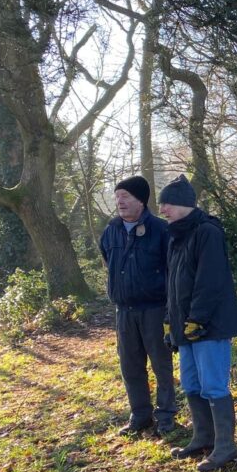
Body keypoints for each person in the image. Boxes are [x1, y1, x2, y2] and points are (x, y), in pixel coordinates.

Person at [158, 175, 237, 472]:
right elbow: (173, 285)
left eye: (167, 203)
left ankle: (226, 446)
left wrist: (196, 320)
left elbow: (210, 282)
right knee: (192, 384)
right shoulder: (175, 236)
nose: (163, 209)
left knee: (213, 385)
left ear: (183, 204)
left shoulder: (207, 232)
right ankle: (203, 437)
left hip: (209, 326)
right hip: (185, 328)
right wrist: (171, 322)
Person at [100, 175, 177, 436]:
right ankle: (140, 415)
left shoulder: (161, 230)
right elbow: (108, 262)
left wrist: (170, 310)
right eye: (117, 196)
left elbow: (172, 271)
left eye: (126, 196)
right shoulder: (111, 230)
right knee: (130, 367)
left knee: (161, 366)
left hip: (154, 310)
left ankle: (166, 416)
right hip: (124, 312)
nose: (120, 201)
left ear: (141, 201)